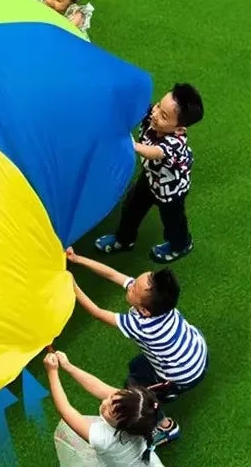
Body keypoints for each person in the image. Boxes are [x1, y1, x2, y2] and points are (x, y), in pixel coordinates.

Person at [66, 248, 208, 449]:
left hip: (183, 374)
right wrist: (78, 259)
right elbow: (114, 275)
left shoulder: (142, 325)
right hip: (196, 351)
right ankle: (167, 391)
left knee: (136, 393)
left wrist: (72, 285)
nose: (130, 286)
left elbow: (97, 313)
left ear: (144, 311)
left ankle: (166, 427)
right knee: (137, 365)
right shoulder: (161, 304)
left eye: (133, 290)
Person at [94, 83, 204, 262]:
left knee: (173, 222)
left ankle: (181, 244)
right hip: (150, 178)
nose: (155, 114)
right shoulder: (152, 115)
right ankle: (124, 239)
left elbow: (154, 153)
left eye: (164, 116)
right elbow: (137, 105)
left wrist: (130, 144)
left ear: (179, 129)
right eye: (159, 106)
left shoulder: (175, 144)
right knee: (131, 206)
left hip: (171, 191)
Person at [45, 351, 163, 466]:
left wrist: (52, 372)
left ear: (121, 426)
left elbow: (65, 410)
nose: (104, 402)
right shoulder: (137, 415)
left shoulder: (104, 439)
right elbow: (99, 387)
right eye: (111, 398)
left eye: (109, 412)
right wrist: (68, 367)